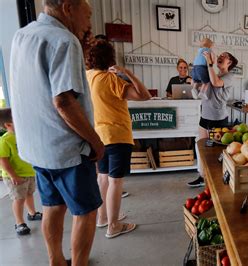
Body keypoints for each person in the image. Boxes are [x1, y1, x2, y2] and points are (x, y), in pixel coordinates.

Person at [9, 1, 104, 265]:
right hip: (67, 149)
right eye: (87, 15)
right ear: (68, 7)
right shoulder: (65, 40)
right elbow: (64, 101)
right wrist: (96, 142)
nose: (87, 24)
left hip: (37, 147)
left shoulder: (22, 35)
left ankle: (56, 261)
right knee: (86, 211)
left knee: (52, 206)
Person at [86, 40, 151, 238]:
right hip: (117, 135)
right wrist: (127, 73)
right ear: (110, 58)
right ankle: (113, 225)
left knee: (103, 178)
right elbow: (144, 95)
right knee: (115, 182)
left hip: (98, 136)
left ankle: (103, 217)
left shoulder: (88, 76)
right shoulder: (111, 79)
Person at [187, 51, 238, 187]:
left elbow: (216, 83)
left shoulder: (229, 76)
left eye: (225, 55)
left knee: (216, 152)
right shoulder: (212, 74)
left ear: (230, 62)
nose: (221, 56)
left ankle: (217, 179)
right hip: (205, 116)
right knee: (201, 147)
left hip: (218, 119)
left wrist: (210, 64)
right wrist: (194, 83)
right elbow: (202, 89)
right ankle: (202, 176)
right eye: (220, 55)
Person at [0, 108, 42, 236]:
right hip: (15, 176)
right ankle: (19, 223)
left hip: (28, 172)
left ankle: (32, 213)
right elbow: (3, 160)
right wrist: (14, 175)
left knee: (29, 194)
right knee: (19, 198)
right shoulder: (5, 140)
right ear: (8, 125)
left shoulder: (23, 136)